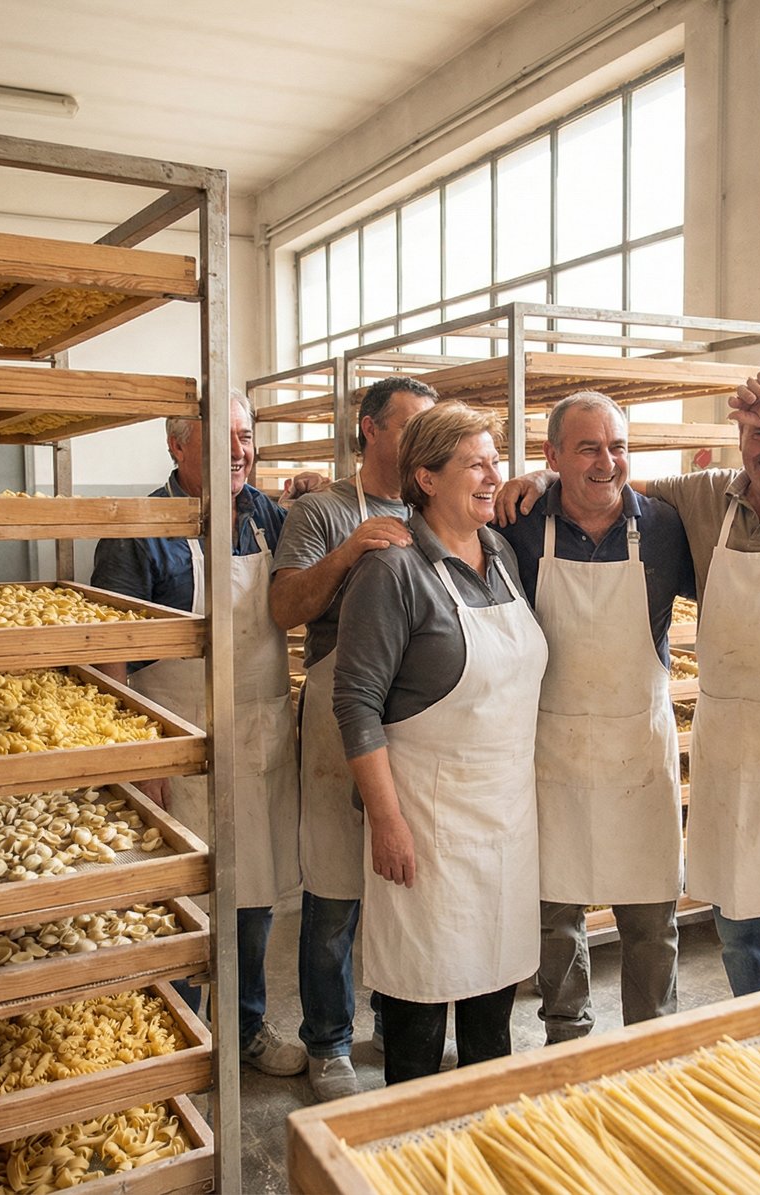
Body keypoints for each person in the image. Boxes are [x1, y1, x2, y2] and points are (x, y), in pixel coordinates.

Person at [498, 366, 760, 995]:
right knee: (742, 940)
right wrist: (541, 476)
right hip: (732, 765)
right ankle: (756, 1062)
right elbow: (605, 485)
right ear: (739, 434)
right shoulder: (707, 499)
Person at [91, 392, 308, 1077]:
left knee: (252, 898)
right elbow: (111, 655)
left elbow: (316, 544)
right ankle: (176, 1041)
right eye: (220, 440)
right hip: (179, 743)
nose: (238, 451)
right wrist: (139, 757)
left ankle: (244, 1027)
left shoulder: (267, 516)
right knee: (181, 902)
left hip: (259, 739)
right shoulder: (139, 529)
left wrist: (316, 491)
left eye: (244, 436)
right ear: (176, 447)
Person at [333, 402, 547, 1084]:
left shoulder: (503, 553)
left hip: (504, 821)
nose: (492, 477)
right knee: (420, 1015)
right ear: (425, 477)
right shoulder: (393, 570)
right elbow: (356, 701)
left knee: (492, 1011)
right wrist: (386, 822)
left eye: (495, 461)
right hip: (425, 825)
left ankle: (481, 1149)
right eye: (475, 464)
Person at [494, 391, 696, 1044]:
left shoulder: (665, 525)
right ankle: (568, 1037)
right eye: (587, 448)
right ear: (551, 454)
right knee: (558, 916)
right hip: (555, 751)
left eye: (618, 446)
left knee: (650, 918)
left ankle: (649, 1044)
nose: (606, 462)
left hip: (638, 747)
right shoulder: (519, 526)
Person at [269, 375, 438, 1101]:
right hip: (341, 724)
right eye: (410, 428)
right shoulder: (321, 509)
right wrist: (347, 554)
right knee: (335, 891)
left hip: (422, 719)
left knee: (407, 884)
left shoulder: (435, 507)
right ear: (369, 428)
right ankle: (329, 1042)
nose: (423, 445)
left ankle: (396, 1023)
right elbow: (283, 608)